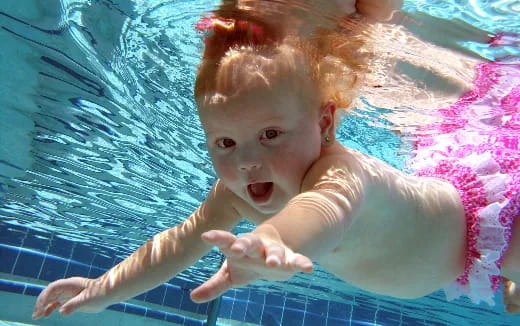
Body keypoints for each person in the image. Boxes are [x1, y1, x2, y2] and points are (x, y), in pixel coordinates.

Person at [32, 0, 520, 319]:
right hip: (441, 255)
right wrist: (104, 289)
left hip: (482, 228)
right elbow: (180, 242)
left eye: (270, 134)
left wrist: (271, 243)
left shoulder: (339, 173)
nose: (247, 162)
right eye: (225, 144)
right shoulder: (233, 196)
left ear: (325, 124)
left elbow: (322, 212)